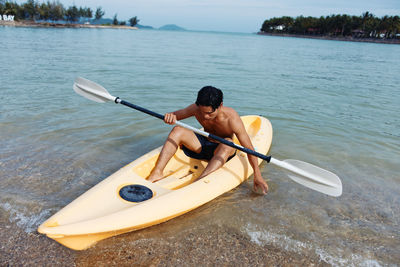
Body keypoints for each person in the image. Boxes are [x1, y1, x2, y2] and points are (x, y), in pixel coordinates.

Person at [147, 86, 269, 194]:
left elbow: (249, 148)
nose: (205, 116)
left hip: (222, 152)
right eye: (202, 111)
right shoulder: (195, 108)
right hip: (204, 145)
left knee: (228, 142)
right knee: (177, 130)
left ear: (220, 105)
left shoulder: (232, 118)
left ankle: (200, 181)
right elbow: (174, 115)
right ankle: (157, 172)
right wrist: (169, 117)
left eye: (209, 113)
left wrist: (257, 175)